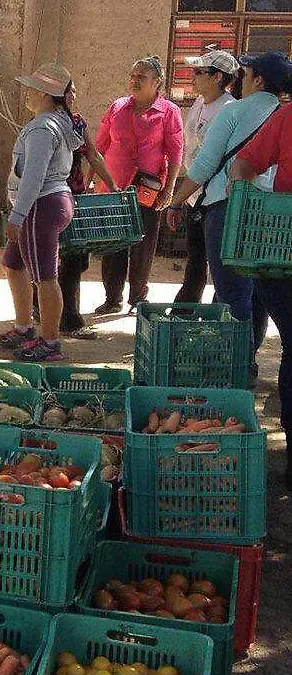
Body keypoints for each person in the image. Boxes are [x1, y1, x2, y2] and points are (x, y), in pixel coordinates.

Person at [170, 51, 286, 385]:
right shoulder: (282, 114)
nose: (240, 79)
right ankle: (247, 360)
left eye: (245, 73)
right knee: (257, 293)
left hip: (229, 211)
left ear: (258, 80)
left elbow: (205, 166)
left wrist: (176, 202)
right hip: (272, 215)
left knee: (232, 294)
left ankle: (236, 372)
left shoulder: (234, 111)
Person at [229, 64, 292, 486]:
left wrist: (248, 200)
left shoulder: (286, 116)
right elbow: (244, 165)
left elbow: (242, 168)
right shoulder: (285, 117)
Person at [0, 63, 84, 363]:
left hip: (40, 206)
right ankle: (24, 327)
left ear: (46, 94)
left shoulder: (42, 128)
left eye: (33, 89)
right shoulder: (59, 123)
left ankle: (50, 342)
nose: (27, 94)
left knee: (45, 276)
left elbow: (33, 177)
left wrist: (17, 216)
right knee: (13, 261)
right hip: (52, 201)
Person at [93, 56, 184, 316]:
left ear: (157, 83)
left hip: (148, 190)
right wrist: (91, 178)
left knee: (143, 244)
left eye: (141, 77)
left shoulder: (169, 112)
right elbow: (100, 146)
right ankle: (112, 297)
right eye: (132, 76)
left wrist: (169, 189)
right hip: (113, 186)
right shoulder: (117, 107)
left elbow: (176, 152)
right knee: (112, 243)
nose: (134, 80)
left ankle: (137, 297)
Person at [31, 86, 119, 340]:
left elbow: (92, 154)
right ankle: (58, 315)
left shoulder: (77, 123)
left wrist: (112, 185)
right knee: (48, 259)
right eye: (64, 93)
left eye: (72, 93)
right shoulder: (40, 125)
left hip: (73, 200)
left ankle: (66, 315)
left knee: (74, 258)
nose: (69, 98)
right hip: (47, 199)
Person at [171, 49, 238, 305]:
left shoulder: (230, 110)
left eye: (199, 72)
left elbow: (209, 160)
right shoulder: (198, 104)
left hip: (216, 197)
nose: (193, 76)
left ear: (218, 77)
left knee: (219, 263)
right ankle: (186, 310)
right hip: (194, 194)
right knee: (195, 257)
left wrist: (176, 199)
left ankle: (217, 311)